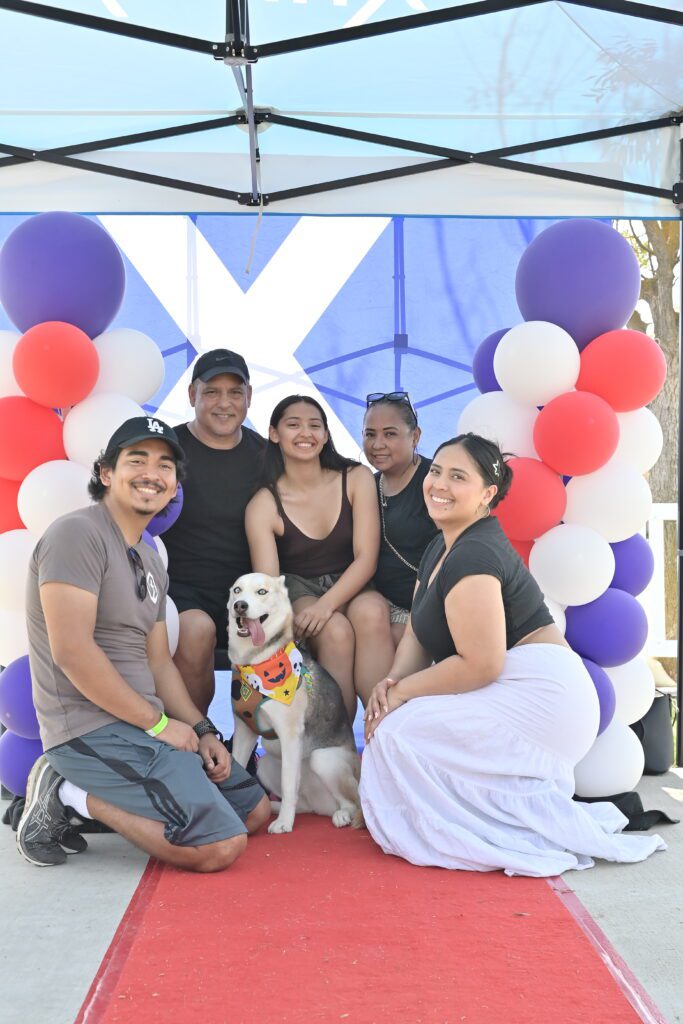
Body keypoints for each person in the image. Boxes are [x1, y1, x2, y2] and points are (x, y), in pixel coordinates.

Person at [359, 433, 665, 876]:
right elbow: (417, 637)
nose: (439, 484)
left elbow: (482, 664)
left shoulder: (475, 553)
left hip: (544, 696)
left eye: (458, 476)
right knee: (393, 726)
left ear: (486, 494)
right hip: (510, 687)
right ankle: (466, 819)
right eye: (437, 471)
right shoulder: (438, 547)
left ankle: (477, 829)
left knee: (401, 733)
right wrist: (389, 688)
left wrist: (404, 693)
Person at [18, 416, 270, 870]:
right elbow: (72, 652)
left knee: (254, 812)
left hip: (143, 728)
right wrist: (157, 725)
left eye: (165, 465)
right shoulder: (77, 534)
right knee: (220, 847)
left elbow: (159, 664)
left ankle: (111, 789)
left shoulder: (150, 557)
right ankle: (71, 793)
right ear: (106, 473)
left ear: (175, 487)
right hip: (90, 729)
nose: (152, 472)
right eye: (137, 460)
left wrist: (201, 729)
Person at [245, 394, 382, 720]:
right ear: (274, 433)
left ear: (325, 435)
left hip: (352, 580)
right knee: (334, 631)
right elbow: (271, 589)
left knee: (373, 611)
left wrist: (327, 603)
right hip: (299, 589)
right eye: (294, 425)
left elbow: (366, 558)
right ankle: (342, 747)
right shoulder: (263, 504)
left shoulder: (356, 477)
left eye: (315, 426)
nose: (305, 433)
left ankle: (385, 729)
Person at [162, 349, 266, 714]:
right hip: (180, 592)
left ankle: (251, 757)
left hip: (246, 595)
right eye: (212, 392)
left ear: (249, 398)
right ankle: (196, 743)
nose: (225, 403)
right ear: (192, 395)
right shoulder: (165, 452)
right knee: (195, 630)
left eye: (235, 393)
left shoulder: (269, 457)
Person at [362, 390, 438, 647]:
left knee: (397, 637)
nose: (377, 444)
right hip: (383, 604)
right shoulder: (364, 486)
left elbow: (456, 552)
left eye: (390, 434)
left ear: (415, 436)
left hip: (433, 606)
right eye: (370, 434)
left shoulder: (435, 482)